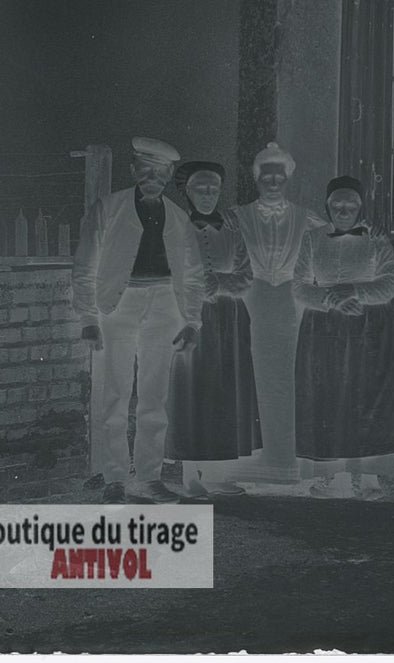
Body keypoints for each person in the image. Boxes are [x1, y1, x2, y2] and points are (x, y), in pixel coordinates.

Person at [73, 137, 205, 504]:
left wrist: (192, 321)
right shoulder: (108, 208)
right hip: (118, 305)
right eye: (145, 168)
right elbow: (85, 265)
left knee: (154, 396)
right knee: (115, 392)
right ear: (133, 170)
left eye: (161, 172)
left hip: (165, 305)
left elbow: (194, 274)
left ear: (168, 176)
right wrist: (88, 317)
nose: (153, 177)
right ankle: (115, 477)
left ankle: (149, 477)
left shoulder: (179, 218)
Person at [293, 175, 394, 500]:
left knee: (368, 401)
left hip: (369, 331)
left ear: (361, 207)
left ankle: (370, 477)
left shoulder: (377, 240)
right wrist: (330, 298)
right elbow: (300, 284)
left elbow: (390, 284)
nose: (343, 210)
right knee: (329, 401)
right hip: (325, 331)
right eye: (336, 204)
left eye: (350, 205)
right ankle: (331, 478)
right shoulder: (312, 239)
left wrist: (355, 291)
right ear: (327, 206)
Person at [231, 142, 327, 486]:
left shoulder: (307, 218)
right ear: (257, 179)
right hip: (250, 304)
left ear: (287, 179)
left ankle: (288, 470)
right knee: (250, 380)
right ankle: (248, 472)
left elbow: (335, 240)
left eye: (279, 176)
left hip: (290, 306)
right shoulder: (238, 216)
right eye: (266, 176)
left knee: (287, 382)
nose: (273, 183)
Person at [164, 161, 260, 498]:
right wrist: (191, 289)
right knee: (193, 391)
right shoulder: (175, 227)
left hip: (228, 318)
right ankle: (190, 472)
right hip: (189, 317)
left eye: (214, 189)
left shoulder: (230, 229)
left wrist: (217, 282)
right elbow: (170, 270)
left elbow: (245, 275)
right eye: (200, 189)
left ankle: (218, 472)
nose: (207, 195)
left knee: (224, 392)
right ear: (187, 192)